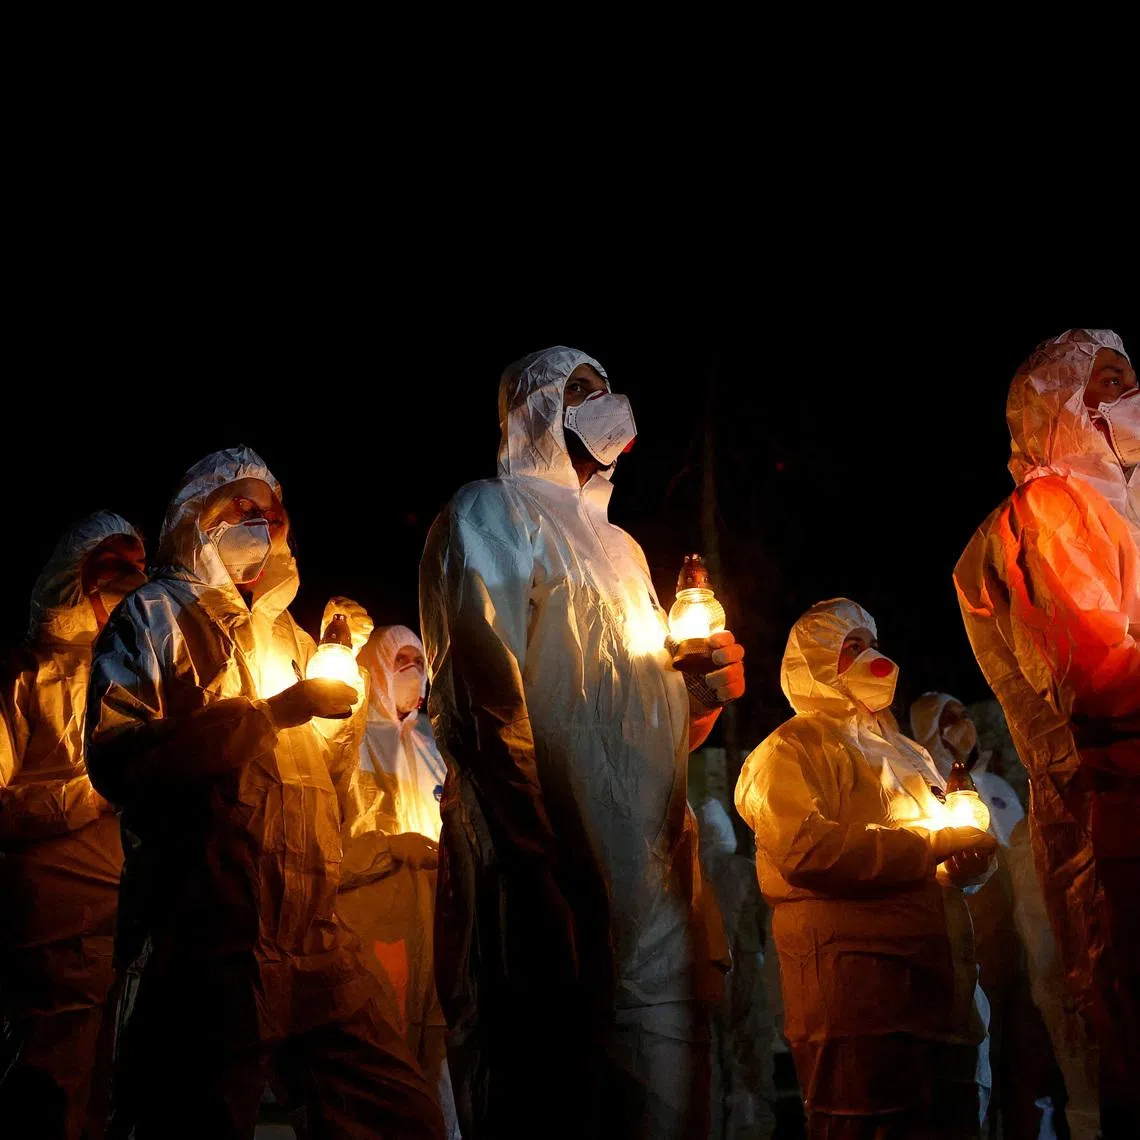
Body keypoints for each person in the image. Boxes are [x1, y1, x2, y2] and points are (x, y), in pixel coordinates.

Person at [419, 347, 745, 1140]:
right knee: (546, 1093)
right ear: (534, 410)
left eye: (606, 389)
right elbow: (483, 706)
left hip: (656, 889)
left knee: (665, 1107)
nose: (607, 405)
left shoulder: (626, 554)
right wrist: (531, 865)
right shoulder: (487, 515)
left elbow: (637, 728)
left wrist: (699, 698)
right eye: (581, 392)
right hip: (554, 875)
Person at [85, 446, 443, 1140]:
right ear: (196, 518)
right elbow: (121, 762)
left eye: (274, 516)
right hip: (208, 929)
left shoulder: (289, 635)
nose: (264, 526)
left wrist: (338, 720)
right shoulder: (153, 616)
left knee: (397, 1113)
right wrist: (269, 714)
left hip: (316, 928)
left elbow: (320, 781)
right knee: (193, 1117)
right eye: (242, 510)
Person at [954, 329, 1139, 1135]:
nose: (1130, 389)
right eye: (1108, 378)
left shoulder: (1112, 508)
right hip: (1118, 818)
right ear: (1062, 404)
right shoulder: (1052, 509)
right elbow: (1097, 675)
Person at [735, 598, 998, 1139]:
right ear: (813, 660)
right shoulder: (790, 749)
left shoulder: (910, 755)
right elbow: (806, 850)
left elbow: (946, 846)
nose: (871, 658)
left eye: (872, 645)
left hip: (944, 992)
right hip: (857, 998)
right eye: (851, 647)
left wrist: (968, 865)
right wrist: (928, 850)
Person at [0, 512, 146, 1140]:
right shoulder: (24, 673)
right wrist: (86, 797)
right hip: (50, 917)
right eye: (115, 568)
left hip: (122, 912)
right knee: (48, 1074)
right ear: (74, 577)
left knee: (107, 1079)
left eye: (140, 569)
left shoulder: (124, 677)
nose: (133, 582)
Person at [911, 693, 1066, 1139]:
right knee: (978, 1054)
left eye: (964, 715)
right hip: (970, 934)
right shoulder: (928, 790)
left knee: (1025, 1052)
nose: (963, 725)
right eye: (949, 719)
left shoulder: (995, 787)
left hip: (1018, 936)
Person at [338, 623, 459, 1137]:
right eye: (400, 659)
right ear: (376, 667)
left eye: (418, 659)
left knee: (438, 1070)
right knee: (383, 1067)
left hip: (434, 927)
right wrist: (390, 848)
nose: (413, 670)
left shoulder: (433, 746)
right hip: (373, 928)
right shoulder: (352, 743)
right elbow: (331, 847)